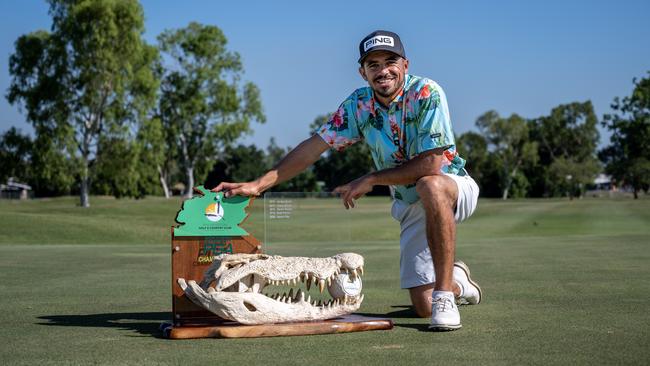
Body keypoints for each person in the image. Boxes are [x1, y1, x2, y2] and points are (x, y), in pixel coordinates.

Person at [213, 30, 482, 331]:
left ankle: (445, 295)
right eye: (373, 64)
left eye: (390, 61)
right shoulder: (358, 105)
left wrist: (372, 179)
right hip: (410, 203)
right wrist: (259, 185)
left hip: (452, 187)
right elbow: (314, 147)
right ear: (362, 72)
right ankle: (457, 282)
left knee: (430, 184)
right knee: (422, 304)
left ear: (405, 65)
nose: (383, 70)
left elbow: (432, 163)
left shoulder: (427, 92)